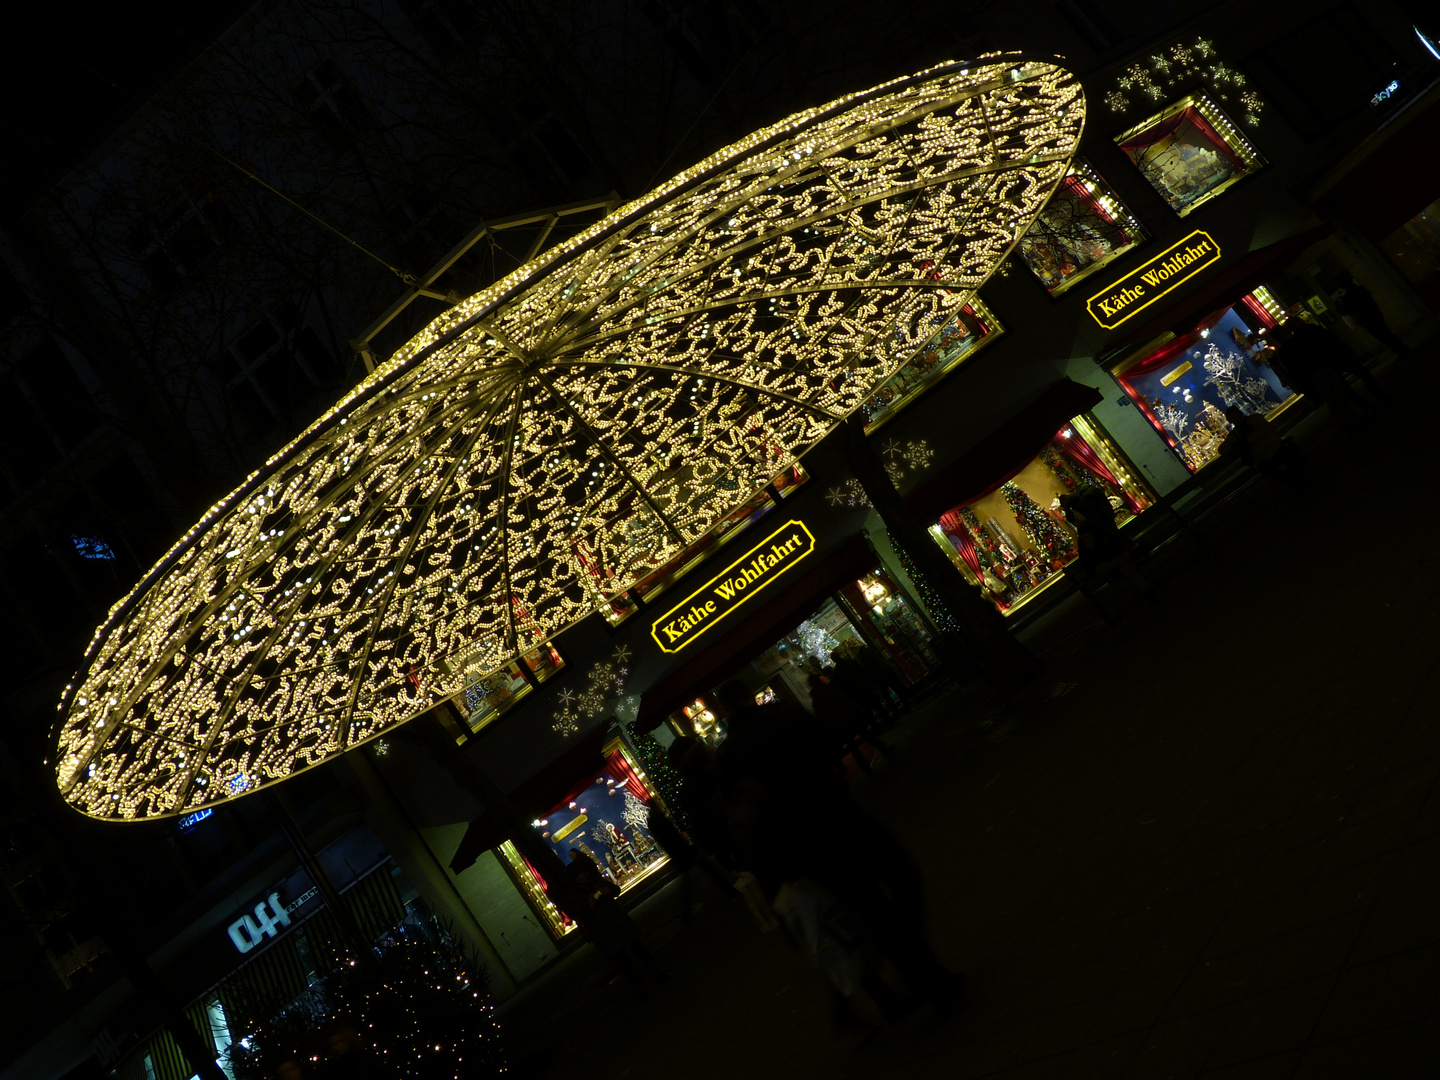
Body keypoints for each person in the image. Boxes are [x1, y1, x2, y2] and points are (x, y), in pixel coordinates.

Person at [1218, 405, 1314, 491]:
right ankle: (1295, 480)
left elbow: (1263, 431)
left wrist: (1245, 441)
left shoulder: (1254, 419)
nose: (1234, 418)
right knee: (1270, 469)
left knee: (1287, 459)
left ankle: (1297, 479)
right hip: (1262, 457)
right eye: (1231, 417)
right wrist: (1234, 445)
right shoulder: (1235, 433)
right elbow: (1222, 449)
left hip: (1274, 448)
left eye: (1234, 415)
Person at [1334, 277, 1406, 359]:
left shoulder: (1349, 296)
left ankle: (1400, 350)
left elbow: (1344, 311)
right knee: (1387, 333)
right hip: (1375, 314)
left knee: (1383, 337)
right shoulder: (1360, 289)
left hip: (1367, 320)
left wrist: (1338, 306)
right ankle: (1402, 348)